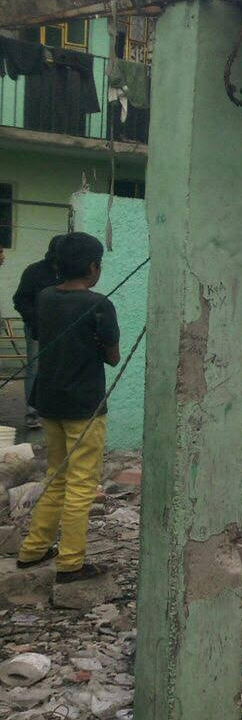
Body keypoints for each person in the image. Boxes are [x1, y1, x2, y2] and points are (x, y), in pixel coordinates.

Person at [16, 232, 118, 583]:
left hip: (49, 403)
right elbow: (112, 357)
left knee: (55, 476)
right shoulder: (99, 304)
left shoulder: (44, 298)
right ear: (93, 267)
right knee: (81, 484)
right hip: (84, 407)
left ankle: (33, 549)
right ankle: (71, 563)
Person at [13, 236, 65, 430]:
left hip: (63, 329)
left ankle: (55, 410)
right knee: (35, 367)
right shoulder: (34, 272)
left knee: (60, 366)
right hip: (37, 328)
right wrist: (34, 320)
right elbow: (20, 299)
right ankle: (32, 413)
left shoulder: (68, 273)